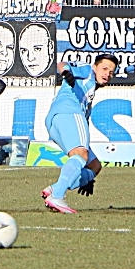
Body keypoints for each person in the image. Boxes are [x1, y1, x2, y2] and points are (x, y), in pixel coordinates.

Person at [42, 53, 118, 213]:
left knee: (94, 166)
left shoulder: (88, 93)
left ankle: (54, 189)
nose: (107, 74)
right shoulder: (87, 71)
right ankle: (57, 196)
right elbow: (62, 64)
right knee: (81, 155)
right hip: (68, 111)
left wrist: (86, 178)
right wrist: (66, 73)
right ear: (95, 67)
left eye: (111, 72)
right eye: (104, 69)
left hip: (56, 120)